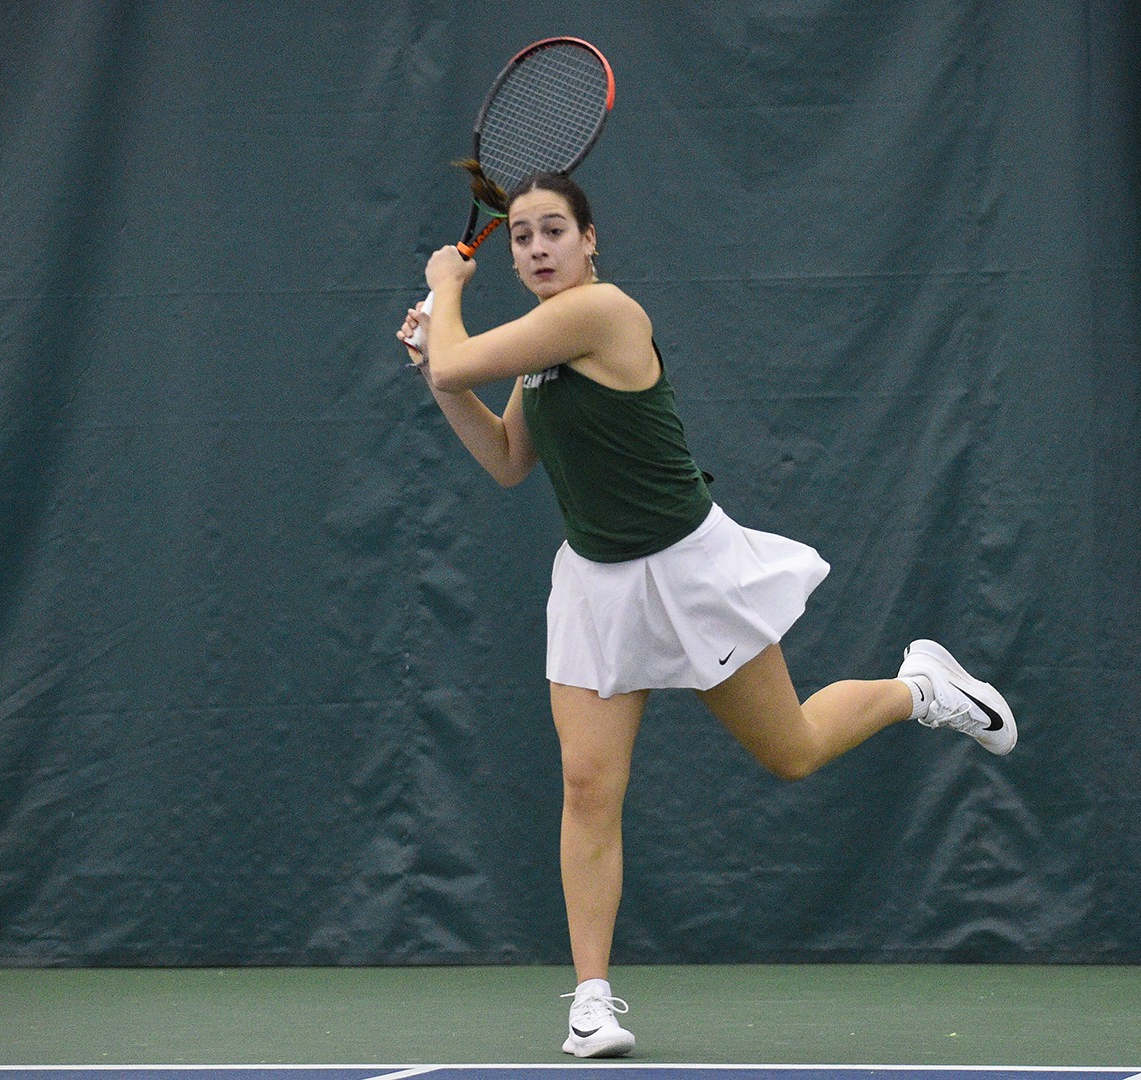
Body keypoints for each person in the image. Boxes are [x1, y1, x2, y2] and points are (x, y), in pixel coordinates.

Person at [395, 170, 1016, 1059]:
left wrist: (446, 296)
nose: (534, 248)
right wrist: (438, 379)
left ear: (589, 240)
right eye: (523, 235)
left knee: (793, 751)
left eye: (551, 232)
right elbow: (503, 460)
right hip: (597, 585)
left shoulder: (602, 313)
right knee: (586, 786)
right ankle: (592, 1001)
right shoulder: (537, 352)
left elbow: (459, 352)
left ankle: (920, 686)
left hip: (688, 572)